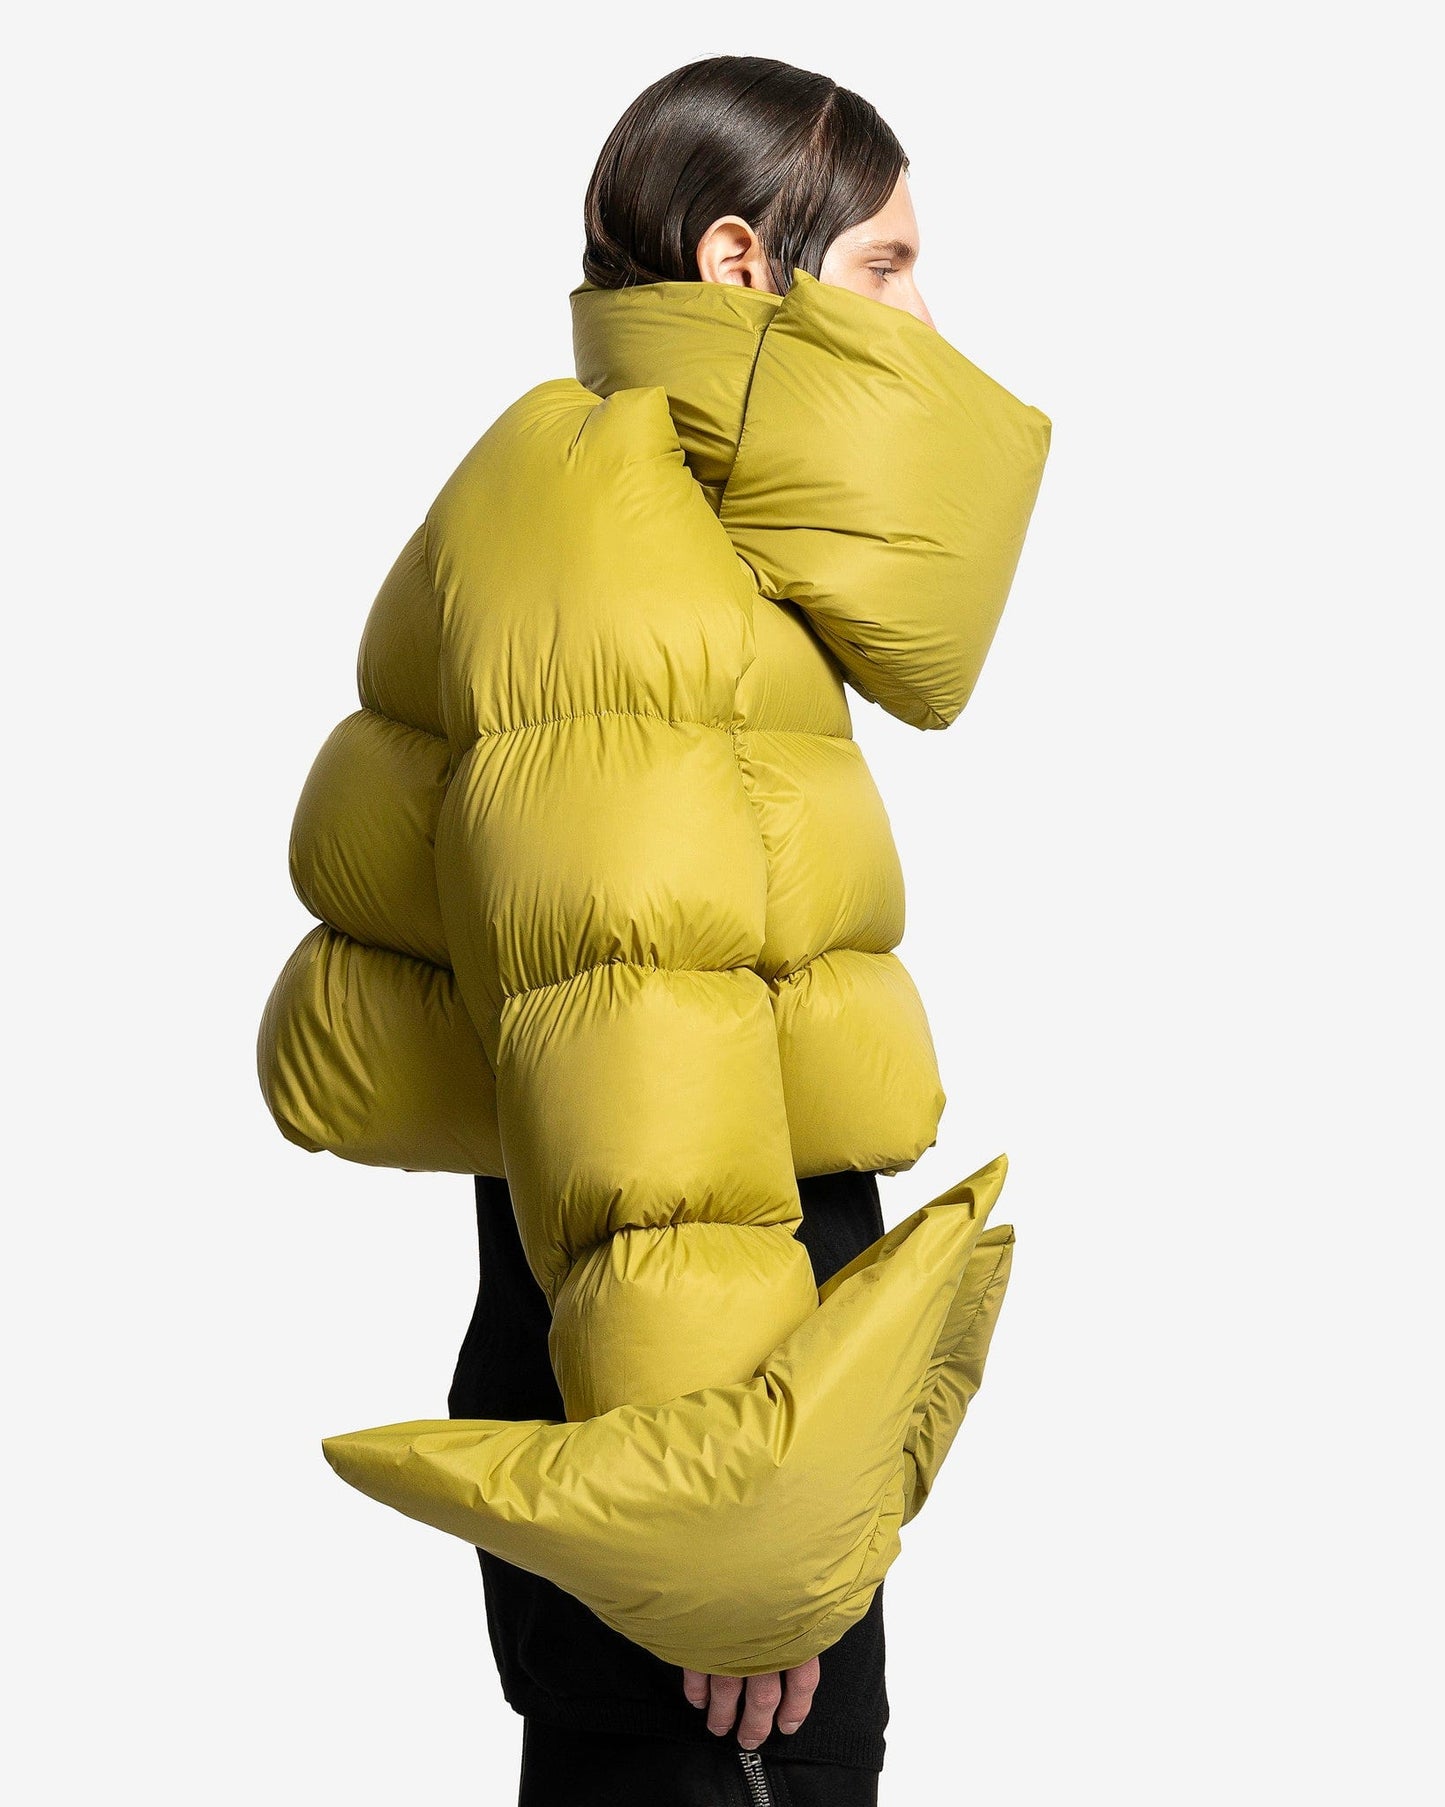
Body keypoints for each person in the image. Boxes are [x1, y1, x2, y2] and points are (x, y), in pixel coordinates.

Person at [259, 52, 1050, 1807]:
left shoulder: (648, 517)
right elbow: (636, 1043)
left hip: (694, 1366)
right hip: (692, 1409)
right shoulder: (622, 565)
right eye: (885, 266)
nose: (924, 318)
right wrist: (727, 1547)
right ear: (738, 263)